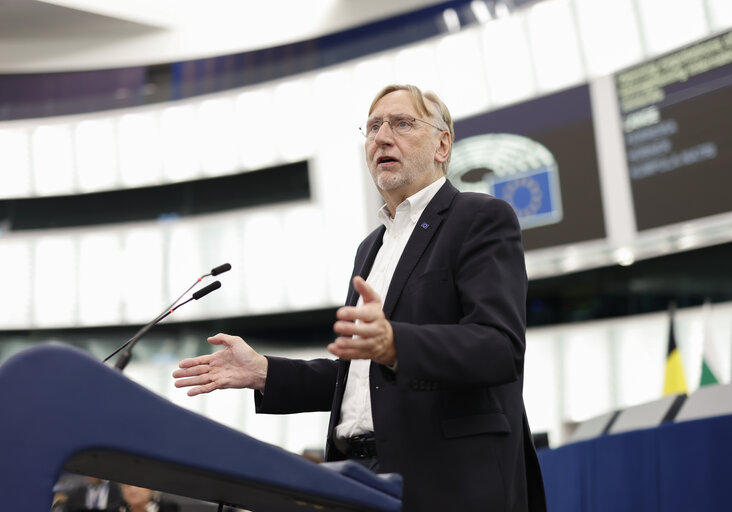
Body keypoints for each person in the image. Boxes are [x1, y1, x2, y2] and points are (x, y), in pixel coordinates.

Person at [173, 84, 547, 511]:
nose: (382, 137)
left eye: (402, 124)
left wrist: (395, 345)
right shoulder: (370, 248)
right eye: (373, 127)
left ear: (442, 144)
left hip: (446, 481)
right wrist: (265, 372)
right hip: (357, 481)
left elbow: (498, 348)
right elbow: (362, 379)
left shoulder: (479, 218)